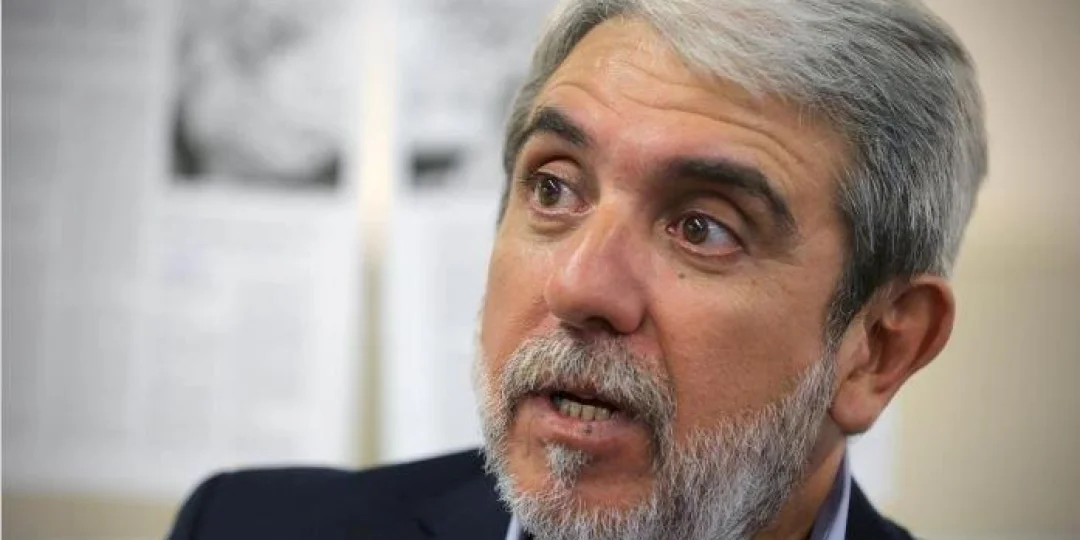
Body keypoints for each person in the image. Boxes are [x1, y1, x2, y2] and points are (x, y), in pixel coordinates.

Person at [167, 0, 986, 538]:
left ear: (879, 350)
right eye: (554, 187)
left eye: (703, 228)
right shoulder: (248, 528)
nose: (577, 286)